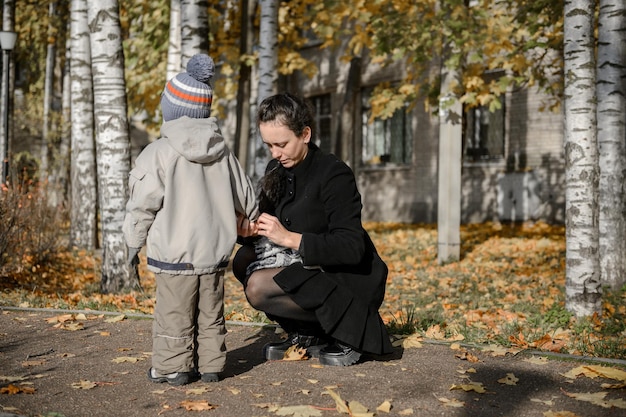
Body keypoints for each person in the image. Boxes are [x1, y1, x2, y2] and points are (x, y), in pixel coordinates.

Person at [123, 54, 258, 386]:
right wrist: (246, 221)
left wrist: (131, 244)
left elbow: (141, 205)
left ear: (171, 111)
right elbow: (248, 199)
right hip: (213, 254)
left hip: (174, 255)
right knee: (211, 312)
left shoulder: (158, 153)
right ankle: (212, 365)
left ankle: (174, 367)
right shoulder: (224, 154)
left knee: (174, 314)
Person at [233, 92, 393, 366]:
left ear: (305, 134)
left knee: (258, 286)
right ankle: (308, 332)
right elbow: (268, 229)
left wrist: (289, 238)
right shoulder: (276, 169)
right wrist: (248, 229)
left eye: (282, 144)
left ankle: (349, 333)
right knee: (243, 259)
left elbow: (351, 247)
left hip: (347, 279)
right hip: (304, 269)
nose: (275, 153)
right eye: (268, 145)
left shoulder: (334, 174)